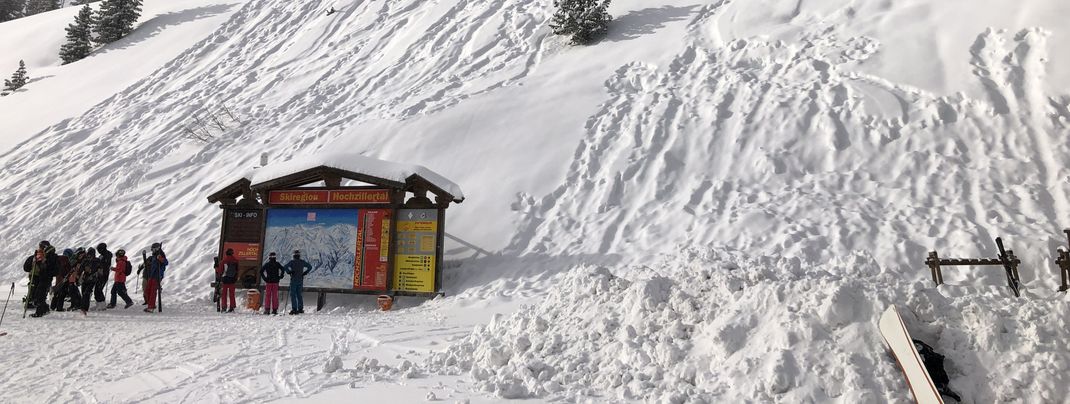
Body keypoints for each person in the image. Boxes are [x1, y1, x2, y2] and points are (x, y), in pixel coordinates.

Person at [22, 241, 57, 318]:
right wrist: (34, 261)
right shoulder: (35, 256)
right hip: (36, 279)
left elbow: (53, 270)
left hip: (45, 279)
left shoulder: (51, 257)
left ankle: (41, 311)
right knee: (36, 296)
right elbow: (26, 267)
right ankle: (44, 309)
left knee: (40, 295)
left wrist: (44, 263)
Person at [283, 250, 312, 315]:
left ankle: (294, 309)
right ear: (299, 255)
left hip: (293, 280)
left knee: (293, 294)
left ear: (294, 256)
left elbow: (285, 267)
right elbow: (310, 267)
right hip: (300, 280)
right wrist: (305, 273)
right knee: (299, 294)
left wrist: (289, 272)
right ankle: (300, 308)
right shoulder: (302, 262)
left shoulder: (292, 262)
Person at [144, 242, 168, 313]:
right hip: (152, 275)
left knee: (152, 292)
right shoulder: (154, 256)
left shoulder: (161, 254)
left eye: (154, 249)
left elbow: (166, 262)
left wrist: (160, 259)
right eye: (152, 249)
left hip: (157, 276)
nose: (152, 251)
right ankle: (152, 305)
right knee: (147, 291)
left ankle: (151, 307)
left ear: (157, 249)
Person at [217, 248, 239, 313]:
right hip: (232, 280)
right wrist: (235, 278)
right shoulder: (235, 261)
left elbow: (220, 271)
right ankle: (232, 307)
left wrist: (218, 274)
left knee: (224, 294)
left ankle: (224, 307)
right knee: (232, 294)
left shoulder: (224, 261)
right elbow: (237, 270)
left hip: (225, 279)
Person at [79, 247, 101, 312]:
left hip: (92, 280)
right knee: (84, 293)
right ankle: (84, 307)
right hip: (85, 279)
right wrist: (78, 276)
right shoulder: (85, 260)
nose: (89, 255)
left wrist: (98, 276)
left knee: (87, 293)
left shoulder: (97, 260)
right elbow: (81, 269)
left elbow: (100, 270)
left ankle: (84, 308)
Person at [95, 243, 113, 309]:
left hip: (103, 275)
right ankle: (99, 304)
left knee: (98, 289)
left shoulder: (106, 255)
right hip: (101, 274)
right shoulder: (103, 255)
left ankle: (102, 304)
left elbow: (104, 265)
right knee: (98, 289)